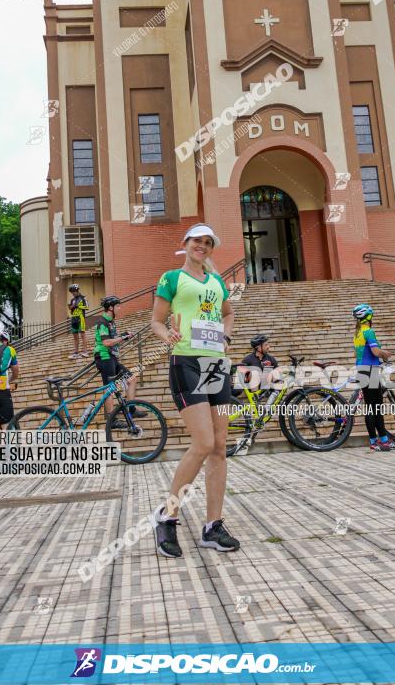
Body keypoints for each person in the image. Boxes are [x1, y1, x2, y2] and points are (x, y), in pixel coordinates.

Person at [150, 223, 239, 558]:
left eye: (207, 243)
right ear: (185, 243)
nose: (202, 246)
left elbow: (228, 315)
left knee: (219, 447)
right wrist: (167, 336)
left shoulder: (217, 282)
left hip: (216, 363)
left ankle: (212, 526)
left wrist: (226, 338)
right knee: (203, 442)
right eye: (197, 241)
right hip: (186, 361)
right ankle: (168, 516)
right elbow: (156, 321)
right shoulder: (171, 279)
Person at [352, 303, 395, 451]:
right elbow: (375, 352)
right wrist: (386, 354)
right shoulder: (368, 331)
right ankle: (379, 442)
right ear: (369, 316)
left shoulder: (358, 332)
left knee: (372, 408)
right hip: (370, 371)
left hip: (362, 370)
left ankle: (379, 440)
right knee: (375, 408)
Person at [93, 296, 144, 418]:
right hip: (104, 357)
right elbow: (106, 342)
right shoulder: (102, 322)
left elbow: (112, 339)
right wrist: (122, 338)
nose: (119, 308)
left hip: (112, 358)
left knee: (131, 379)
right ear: (110, 308)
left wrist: (123, 335)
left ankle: (131, 409)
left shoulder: (111, 322)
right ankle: (111, 418)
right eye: (117, 306)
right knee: (110, 388)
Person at [68, 284, 89, 359]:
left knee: (82, 335)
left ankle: (85, 351)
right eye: (71, 292)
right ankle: (76, 352)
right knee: (75, 336)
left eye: (73, 291)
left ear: (77, 290)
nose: (73, 293)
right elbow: (70, 308)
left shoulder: (83, 298)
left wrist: (78, 306)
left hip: (81, 318)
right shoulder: (72, 300)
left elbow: (87, 307)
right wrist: (71, 307)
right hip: (74, 319)